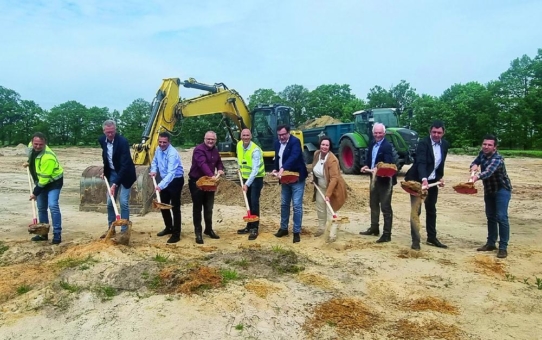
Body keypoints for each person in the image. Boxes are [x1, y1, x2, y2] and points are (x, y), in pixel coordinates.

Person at [404, 120, 448, 250]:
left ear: (443, 133)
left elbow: (440, 164)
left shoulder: (445, 145)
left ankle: (432, 237)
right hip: (416, 181)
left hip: (433, 182)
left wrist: (440, 178)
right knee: (416, 211)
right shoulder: (423, 143)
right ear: (430, 131)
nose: (436, 135)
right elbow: (421, 163)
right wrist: (424, 179)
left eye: (439, 132)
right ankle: (416, 240)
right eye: (434, 132)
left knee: (431, 209)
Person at [470, 135, 512, 259]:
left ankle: (503, 247)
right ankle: (490, 243)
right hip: (489, 191)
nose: (486, 147)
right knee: (490, 217)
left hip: (502, 190)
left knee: (501, 217)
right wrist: (473, 165)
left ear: (495, 147)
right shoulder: (482, 154)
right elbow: (476, 161)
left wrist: (476, 177)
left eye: (489, 145)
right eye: (484, 144)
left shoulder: (497, 159)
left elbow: (488, 172)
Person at [359, 123, 397, 243]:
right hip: (374, 178)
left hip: (386, 180)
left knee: (385, 207)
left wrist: (379, 168)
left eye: (380, 133)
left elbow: (389, 163)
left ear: (384, 133)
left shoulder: (387, 146)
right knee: (373, 203)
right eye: (376, 133)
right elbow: (370, 159)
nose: (378, 135)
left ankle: (387, 234)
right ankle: (374, 228)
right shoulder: (372, 143)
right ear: (373, 133)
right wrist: (366, 165)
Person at [98, 120, 137, 238]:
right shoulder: (102, 140)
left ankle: (124, 231)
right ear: (104, 131)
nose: (110, 134)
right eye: (108, 132)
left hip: (125, 175)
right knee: (110, 202)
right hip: (112, 173)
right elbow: (106, 156)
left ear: (115, 130)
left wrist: (115, 184)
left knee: (123, 202)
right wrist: (105, 171)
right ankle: (111, 229)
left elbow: (125, 164)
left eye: (112, 132)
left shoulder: (123, 142)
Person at [272, 125, 308, 243]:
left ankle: (296, 232)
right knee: (284, 204)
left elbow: (294, 156)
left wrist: (283, 168)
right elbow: (277, 158)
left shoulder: (295, 142)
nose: (281, 137)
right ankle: (283, 228)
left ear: (288, 133)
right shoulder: (277, 143)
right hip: (285, 179)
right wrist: (275, 169)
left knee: (297, 205)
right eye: (279, 135)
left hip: (297, 178)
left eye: (283, 134)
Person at [26, 132, 64, 244]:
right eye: (35, 144)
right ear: (32, 142)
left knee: (53, 205)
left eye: (40, 144)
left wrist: (35, 193)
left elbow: (44, 180)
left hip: (53, 183)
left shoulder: (48, 157)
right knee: (41, 207)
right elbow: (29, 153)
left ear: (45, 144)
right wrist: (28, 162)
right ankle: (43, 234)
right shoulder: (31, 147)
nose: (37, 146)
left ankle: (57, 234)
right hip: (41, 181)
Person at [188, 131, 224, 244]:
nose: (210, 141)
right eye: (208, 139)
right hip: (197, 182)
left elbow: (218, 162)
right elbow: (202, 164)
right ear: (204, 139)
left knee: (209, 207)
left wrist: (220, 168)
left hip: (209, 183)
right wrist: (212, 175)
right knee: (197, 208)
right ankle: (198, 233)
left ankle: (208, 229)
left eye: (212, 139)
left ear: (215, 140)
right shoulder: (199, 150)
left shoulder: (215, 150)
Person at [150, 132, 185, 244]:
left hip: (175, 180)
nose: (162, 144)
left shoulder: (172, 154)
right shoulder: (158, 150)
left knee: (174, 207)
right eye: (160, 142)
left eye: (164, 142)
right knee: (163, 205)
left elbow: (171, 173)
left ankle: (176, 234)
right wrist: (154, 170)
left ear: (169, 142)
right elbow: (155, 161)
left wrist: (160, 186)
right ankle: (168, 227)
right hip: (165, 179)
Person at [311, 137, 347, 237]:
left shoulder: (332, 160)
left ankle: (332, 234)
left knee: (331, 210)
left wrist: (328, 194)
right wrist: (313, 178)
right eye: (323, 144)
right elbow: (314, 168)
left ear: (329, 146)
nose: (324, 147)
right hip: (320, 187)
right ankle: (322, 228)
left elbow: (334, 179)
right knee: (320, 208)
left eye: (327, 145)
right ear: (320, 145)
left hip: (333, 188)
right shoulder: (316, 154)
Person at [236, 129, 265, 241]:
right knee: (248, 201)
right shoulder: (239, 145)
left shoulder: (255, 150)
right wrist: (239, 167)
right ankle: (249, 225)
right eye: (244, 135)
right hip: (245, 177)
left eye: (248, 135)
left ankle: (254, 228)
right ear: (241, 136)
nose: (246, 137)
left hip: (256, 179)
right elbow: (240, 157)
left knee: (254, 202)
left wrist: (247, 184)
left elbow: (255, 170)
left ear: (251, 136)